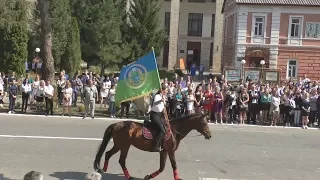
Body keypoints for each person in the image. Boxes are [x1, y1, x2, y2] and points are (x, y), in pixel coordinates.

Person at [150, 85, 167, 152]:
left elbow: (162, 108)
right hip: (154, 115)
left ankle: (161, 143)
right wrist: (161, 100)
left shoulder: (163, 96)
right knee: (162, 130)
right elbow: (155, 103)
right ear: (162, 90)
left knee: (165, 128)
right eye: (165, 90)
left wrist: (165, 115)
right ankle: (155, 146)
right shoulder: (157, 96)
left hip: (160, 115)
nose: (166, 91)